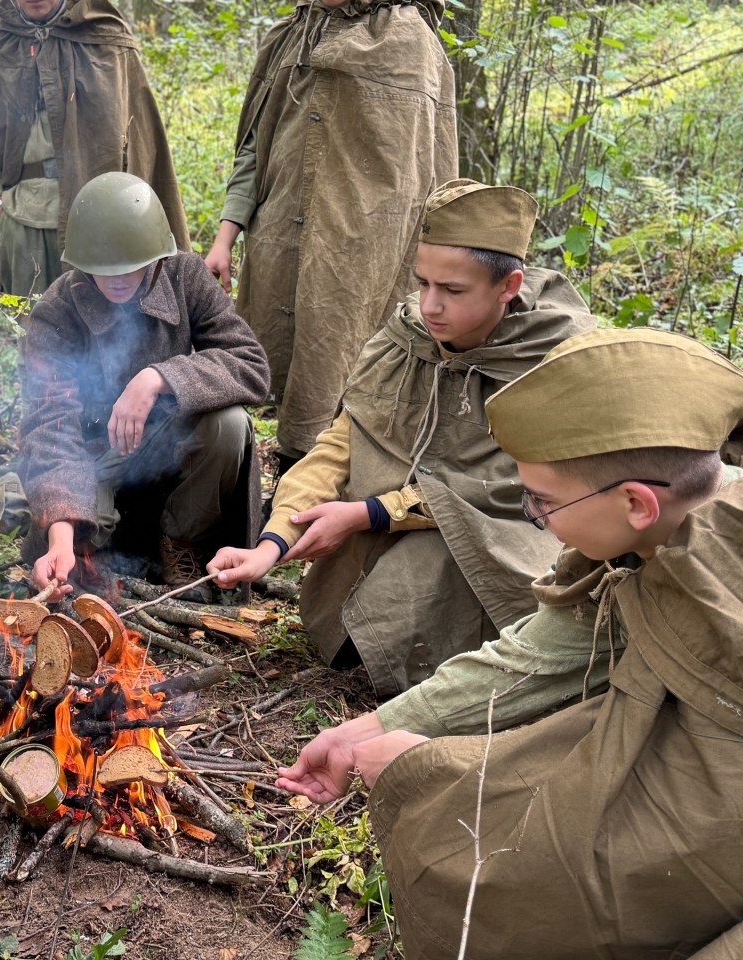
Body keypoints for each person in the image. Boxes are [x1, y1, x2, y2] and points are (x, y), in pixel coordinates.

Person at [305, 329, 743, 958]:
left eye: (543, 501)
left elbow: (691, 817)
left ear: (636, 504)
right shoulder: (648, 544)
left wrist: (433, 769)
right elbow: (537, 657)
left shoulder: (721, 571)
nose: (536, 520)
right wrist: (366, 732)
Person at [209, 179, 595, 697]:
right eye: (423, 284)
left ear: (509, 286)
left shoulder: (557, 361)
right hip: (385, 524)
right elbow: (341, 446)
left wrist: (370, 513)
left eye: (453, 291)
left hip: (504, 536)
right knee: (354, 634)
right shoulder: (408, 338)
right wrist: (273, 542)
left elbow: (514, 490)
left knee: (433, 575)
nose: (430, 307)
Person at [204, 0, 457, 475]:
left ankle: (305, 490)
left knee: (333, 368)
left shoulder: (409, 42)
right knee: (269, 358)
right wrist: (226, 236)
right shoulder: (290, 35)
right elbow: (256, 146)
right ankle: (262, 493)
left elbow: (424, 172)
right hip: (277, 236)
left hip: (356, 253)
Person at [20, 172, 269, 597]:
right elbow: (50, 426)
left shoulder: (186, 276)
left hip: (172, 448)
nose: (118, 278)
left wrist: (160, 377)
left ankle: (181, 544)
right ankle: (97, 553)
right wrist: (60, 534)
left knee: (230, 423)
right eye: (105, 268)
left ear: (157, 255)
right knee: (81, 566)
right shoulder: (57, 311)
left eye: (132, 265)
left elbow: (251, 365)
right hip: (95, 463)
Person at [0, 0, 189, 300]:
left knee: (109, 329)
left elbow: (143, 140)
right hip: (22, 218)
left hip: (100, 218)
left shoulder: (106, 36)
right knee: (33, 331)